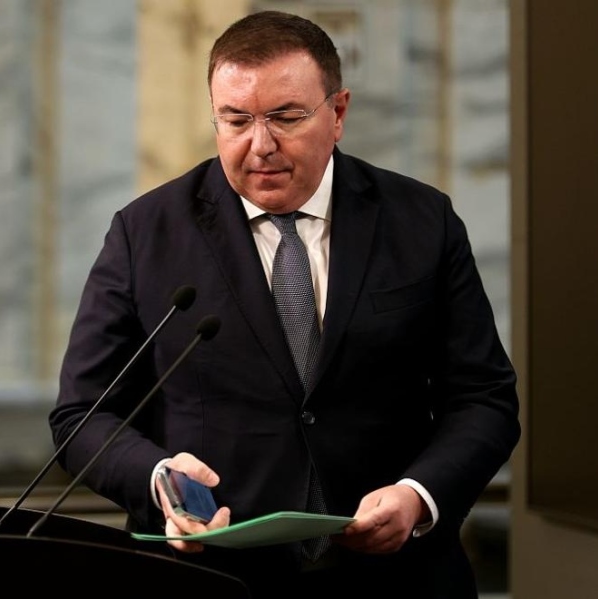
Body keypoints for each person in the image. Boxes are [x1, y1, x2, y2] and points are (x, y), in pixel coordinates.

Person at [49, 9, 520, 597]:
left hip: (397, 576)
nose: (260, 145)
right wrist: (159, 478)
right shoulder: (144, 233)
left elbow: (484, 399)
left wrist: (418, 495)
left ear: (338, 113)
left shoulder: (423, 221)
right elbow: (82, 415)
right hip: (210, 573)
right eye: (236, 120)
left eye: (286, 117)